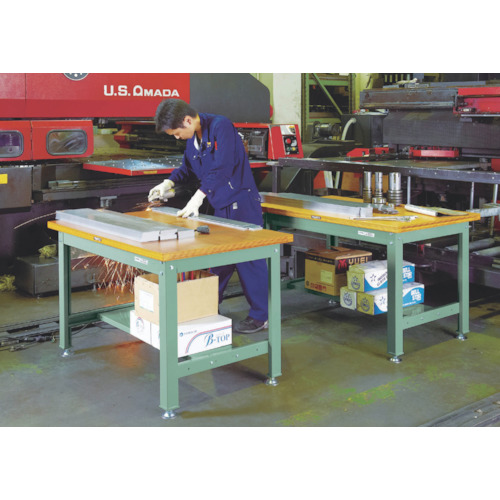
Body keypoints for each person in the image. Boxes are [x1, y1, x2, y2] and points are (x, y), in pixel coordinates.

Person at [148, 98, 268, 334]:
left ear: (187, 120)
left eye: (176, 133)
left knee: (249, 261)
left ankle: (260, 316)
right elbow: (187, 168)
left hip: (241, 203)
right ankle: (207, 307)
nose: (177, 137)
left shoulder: (221, 126)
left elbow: (223, 168)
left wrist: (198, 197)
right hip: (219, 204)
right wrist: (168, 182)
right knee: (219, 261)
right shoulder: (193, 138)